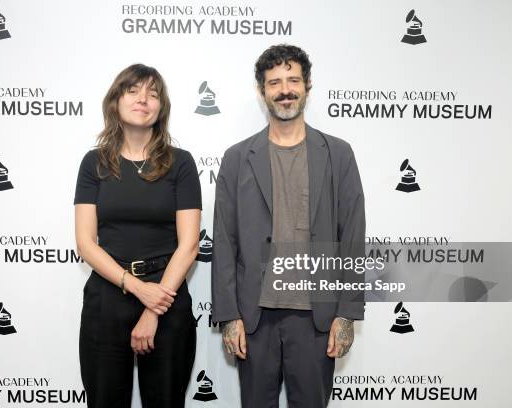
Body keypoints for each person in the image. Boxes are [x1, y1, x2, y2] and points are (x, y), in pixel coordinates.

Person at [211, 44, 365, 408]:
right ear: (261, 90)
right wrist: (229, 314)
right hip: (255, 316)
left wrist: (347, 312)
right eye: (275, 82)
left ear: (307, 86)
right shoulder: (236, 159)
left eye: (293, 80)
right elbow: (224, 242)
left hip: (316, 317)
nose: (285, 90)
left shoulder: (338, 154)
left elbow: (353, 237)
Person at [74, 63, 201, 408]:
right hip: (108, 296)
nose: (143, 99)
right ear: (115, 101)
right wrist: (135, 287)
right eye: (133, 90)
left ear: (162, 108)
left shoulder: (182, 163)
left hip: (167, 297)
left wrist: (153, 308)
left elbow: (189, 245)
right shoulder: (94, 163)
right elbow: (86, 242)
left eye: (153, 93)